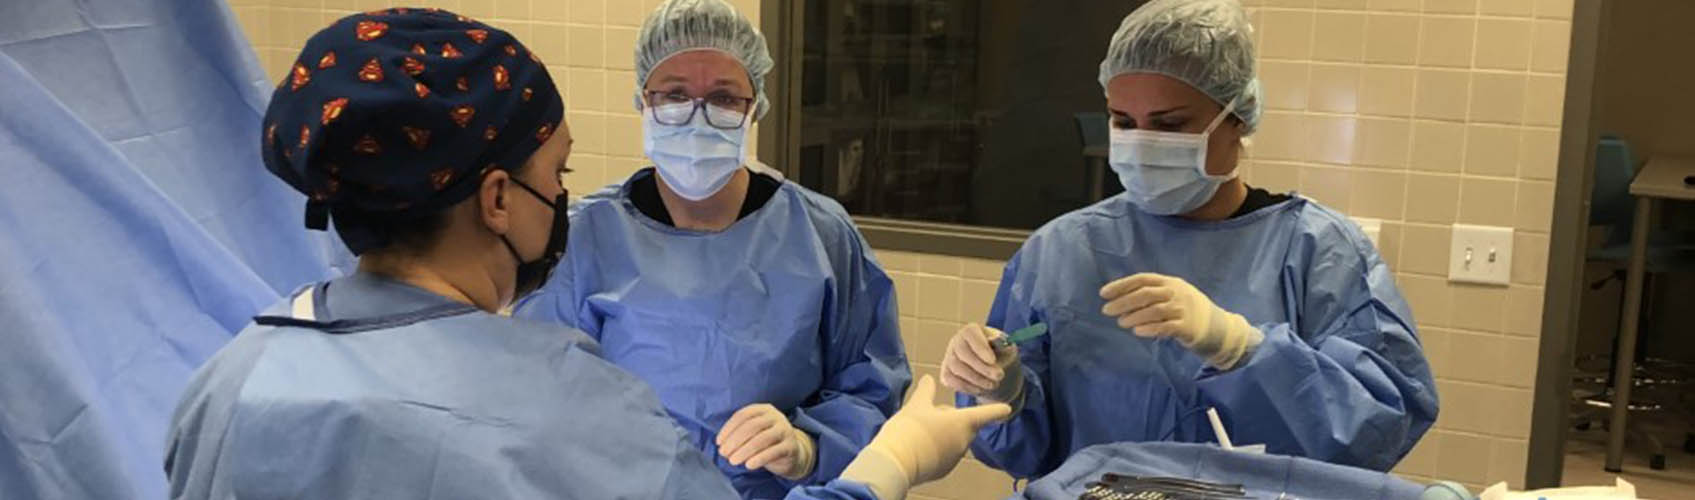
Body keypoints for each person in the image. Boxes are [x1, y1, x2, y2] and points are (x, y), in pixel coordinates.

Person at [163, 10, 1004, 500]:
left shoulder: (230, 378)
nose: (565, 199)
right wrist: (889, 467)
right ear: (497, 198)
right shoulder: (557, 410)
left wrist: (815, 445)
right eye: (555, 172)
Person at [939, 0, 1439, 480]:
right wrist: (1000, 390)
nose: (1141, 143)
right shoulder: (1062, 252)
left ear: (1238, 116)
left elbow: (1382, 427)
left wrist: (1239, 347)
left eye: (1169, 124)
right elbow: (1022, 450)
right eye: (1123, 122)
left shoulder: (1319, 252)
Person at [514, 1, 910, 497]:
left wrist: (809, 444)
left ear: (755, 106)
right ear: (643, 100)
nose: (697, 118)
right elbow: (537, 399)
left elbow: (873, 385)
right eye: (675, 95)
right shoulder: (585, 238)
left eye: (724, 98)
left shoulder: (820, 235)